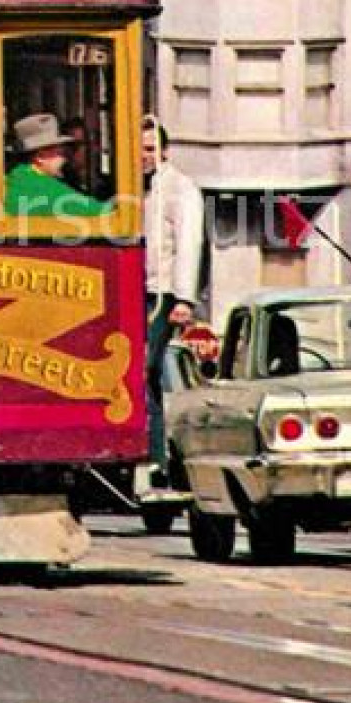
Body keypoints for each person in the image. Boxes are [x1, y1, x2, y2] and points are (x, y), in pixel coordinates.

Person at [143, 115, 206, 475]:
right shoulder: (135, 188)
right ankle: (154, 457)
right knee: (145, 375)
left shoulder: (181, 188)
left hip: (163, 292)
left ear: (165, 151)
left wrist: (184, 299)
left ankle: (155, 458)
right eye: (138, 150)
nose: (145, 157)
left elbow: (188, 243)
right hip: (138, 289)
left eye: (151, 149)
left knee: (141, 367)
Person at [4, 113, 111, 218]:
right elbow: (99, 212)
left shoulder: (11, 181)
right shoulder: (46, 189)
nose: (64, 155)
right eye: (58, 149)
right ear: (40, 157)